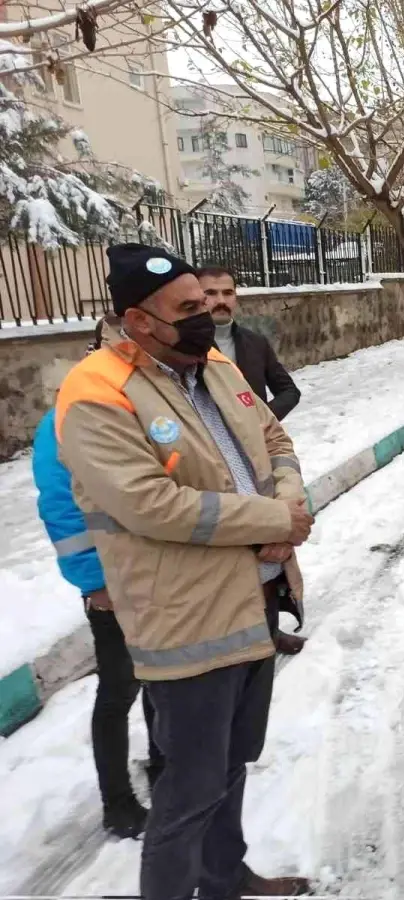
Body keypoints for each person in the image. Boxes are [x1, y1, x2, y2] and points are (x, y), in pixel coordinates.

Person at [56, 243, 315, 900]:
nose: (207, 316)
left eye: (205, 302)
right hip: (186, 621)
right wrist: (273, 523)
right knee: (188, 791)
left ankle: (224, 878)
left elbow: (275, 441)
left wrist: (288, 504)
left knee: (232, 767)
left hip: (254, 602)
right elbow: (152, 505)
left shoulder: (215, 361)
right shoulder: (95, 393)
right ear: (139, 321)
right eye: (188, 309)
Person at [31, 323, 164, 839]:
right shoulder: (67, 417)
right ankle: (118, 803)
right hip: (112, 581)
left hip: (158, 574)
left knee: (162, 675)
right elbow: (61, 508)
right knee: (119, 689)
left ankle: (163, 763)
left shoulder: (146, 405)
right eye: (115, 346)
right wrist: (93, 581)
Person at [198, 266, 301, 421]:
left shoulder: (256, 343)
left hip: (256, 441)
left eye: (228, 293)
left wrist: (264, 419)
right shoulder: (183, 345)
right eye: (211, 293)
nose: (221, 301)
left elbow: (289, 391)